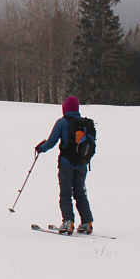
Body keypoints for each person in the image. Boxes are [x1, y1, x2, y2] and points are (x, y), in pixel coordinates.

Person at [36, 96, 94, 234]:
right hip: (82, 164)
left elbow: (51, 142)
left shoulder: (62, 123)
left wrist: (40, 148)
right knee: (80, 192)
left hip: (66, 164)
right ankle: (87, 222)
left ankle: (68, 222)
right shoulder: (84, 124)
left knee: (66, 193)